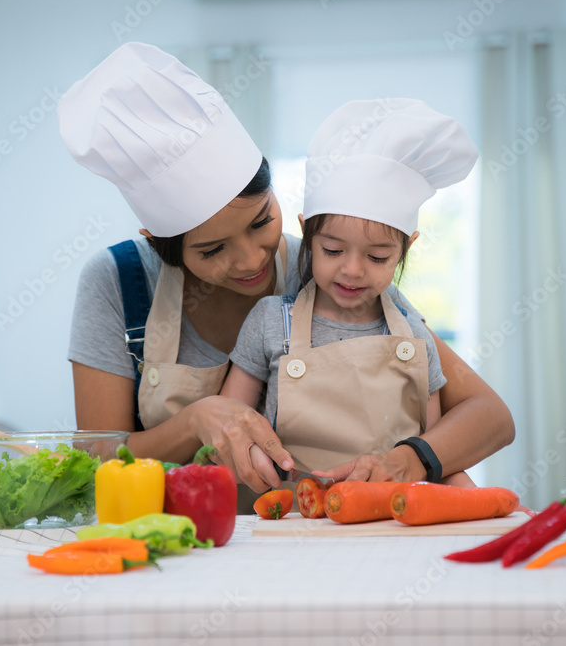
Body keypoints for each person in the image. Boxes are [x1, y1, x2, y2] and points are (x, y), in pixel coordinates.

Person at [58, 43, 514, 496]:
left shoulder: (335, 277)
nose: (253, 259)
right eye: (213, 250)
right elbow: (95, 457)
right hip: (179, 545)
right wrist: (195, 421)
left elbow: (490, 415)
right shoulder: (118, 284)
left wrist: (412, 459)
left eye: (261, 222)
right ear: (159, 244)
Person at [222, 99, 480, 487]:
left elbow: (437, 455)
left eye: (378, 256)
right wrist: (250, 454)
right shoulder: (270, 321)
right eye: (333, 250)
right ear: (306, 233)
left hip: (392, 526)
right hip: (295, 521)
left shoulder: (416, 339)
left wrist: (479, 508)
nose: (353, 270)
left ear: (406, 248)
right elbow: (229, 426)